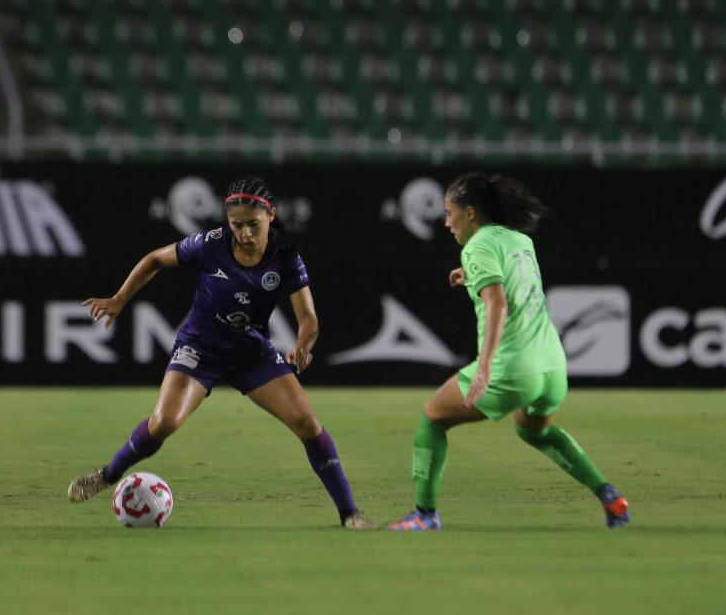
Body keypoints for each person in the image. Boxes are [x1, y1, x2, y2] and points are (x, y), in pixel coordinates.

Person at [67, 176, 375, 529]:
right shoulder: (210, 245)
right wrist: (119, 299)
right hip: (200, 348)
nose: (245, 234)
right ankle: (107, 476)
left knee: (308, 423)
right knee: (163, 423)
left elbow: (309, 320)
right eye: (237, 225)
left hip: (252, 354)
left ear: (271, 216)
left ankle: (349, 513)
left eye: (253, 225)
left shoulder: (285, 257)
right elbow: (154, 259)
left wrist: (303, 347)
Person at [388, 173, 630, 531]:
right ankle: (610, 497)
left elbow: (498, 302)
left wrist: (484, 368)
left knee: (432, 418)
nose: (446, 221)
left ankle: (425, 515)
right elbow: (517, 285)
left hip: (513, 368)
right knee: (534, 431)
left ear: (469, 213)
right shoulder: (519, 240)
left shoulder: (477, 247)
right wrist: (470, 275)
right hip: (551, 367)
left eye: (449, 212)